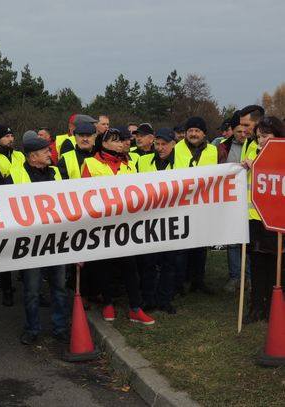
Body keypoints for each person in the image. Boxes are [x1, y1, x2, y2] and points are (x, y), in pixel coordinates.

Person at [81, 129, 155, 325]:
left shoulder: (130, 164)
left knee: (130, 266)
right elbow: (84, 195)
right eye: (115, 141)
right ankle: (107, 303)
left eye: (122, 141)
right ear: (103, 144)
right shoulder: (90, 163)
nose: (121, 144)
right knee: (104, 266)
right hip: (102, 224)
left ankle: (135, 308)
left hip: (126, 224)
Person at [6, 131, 69, 345]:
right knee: (32, 290)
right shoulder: (15, 175)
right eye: (45, 151)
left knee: (59, 287)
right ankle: (32, 329)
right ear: (32, 156)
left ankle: (60, 327)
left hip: (56, 240)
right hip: (31, 243)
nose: (50, 153)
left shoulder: (57, 173)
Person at [242, 116, 285, 323]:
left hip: (276, 221)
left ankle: (272, 307)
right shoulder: (251, 152)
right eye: (258, 136)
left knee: (275, 265)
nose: (260, 140)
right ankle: (256, 306)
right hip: (254, 218)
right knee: (256, 263)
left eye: (265, 136)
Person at [136, 128, 179, 314]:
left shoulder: (184, 163)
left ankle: (165, 299)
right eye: (157, 144)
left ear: (173, 144)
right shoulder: (143, 161)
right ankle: (149, 299)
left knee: (169, 262)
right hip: (149, 220)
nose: (160, 148)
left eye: (164, 144)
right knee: (148, 262)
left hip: (172, 218)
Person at [174, 117, 218, 295]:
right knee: (181, 248)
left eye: (197, 131)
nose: (193, 134)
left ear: (204, 133)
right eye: (190, 130)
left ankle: (197, 281)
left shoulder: (214, 150)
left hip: (203, 205)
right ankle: (179, 283)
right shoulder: (176, 148)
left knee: (201, 246)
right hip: (181, 204)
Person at [0, 123, 24, 306]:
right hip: (1, 208)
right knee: (5, 249)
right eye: (6, 136)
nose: (11, 139)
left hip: (22, 205)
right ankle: (6, 287)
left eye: (11, 136)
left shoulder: (19, 155)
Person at [218, 112, 251, 292]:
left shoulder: (253, 146)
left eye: (245, 131)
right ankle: (235, 276)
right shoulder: (223, 148)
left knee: (249, 240)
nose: (242, 135)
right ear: (231, 131)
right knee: (232, 240)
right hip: (230, 199)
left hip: (249, 199)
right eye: (238, 131)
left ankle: (249, 277)